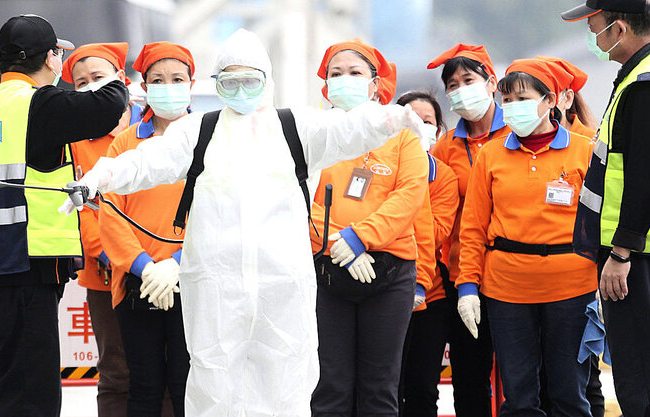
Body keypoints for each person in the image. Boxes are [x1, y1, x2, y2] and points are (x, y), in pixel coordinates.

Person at [65, 28, 425, 417]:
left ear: (267, 81)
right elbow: (147, 162)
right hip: (217, 289)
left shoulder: (295, 128)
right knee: (213, 384)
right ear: (216, 84)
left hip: (282, 288)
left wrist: (395, 118)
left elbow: (348, 130)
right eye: (230, 81)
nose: (240, 90)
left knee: (286, 384)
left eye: (249, 80)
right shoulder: (199, 131)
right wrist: (99, 176)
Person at [0, 14, 129, 417]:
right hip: (23, 268)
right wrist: (113, 75)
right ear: (52, 59)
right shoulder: (32, 104)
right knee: (32, 399)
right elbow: (109, 105)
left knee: (5, 390)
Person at [456, 58, 598, 416]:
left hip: (572, 288)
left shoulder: (584, 151)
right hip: (507, 290)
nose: (513, 108)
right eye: (507, 101)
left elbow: (601, 225)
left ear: (551, 101)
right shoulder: (491, 155)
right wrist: (468, 286)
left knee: (569, 393)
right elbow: (472, 226)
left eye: (522, 98)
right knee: (519, 397)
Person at [306, 39, 429, 417]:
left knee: (379, 388)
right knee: (329, 386)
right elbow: (299, 197)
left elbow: (408, 197)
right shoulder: (312, 133)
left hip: (390, 274)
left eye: (355, 73)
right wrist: (333, 242)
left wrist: (360, 238)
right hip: (327, 274)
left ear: (375, 84)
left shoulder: (403, 135)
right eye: (336, 74)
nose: (345, 80)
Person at [564, 0, 650, 415]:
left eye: (594, 26)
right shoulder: (638, 74)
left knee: (638, 374)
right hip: (638, 251)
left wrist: (621, 251)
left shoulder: (645, 82)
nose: (593, 36)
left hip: (637, 256)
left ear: (618, 29)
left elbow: (644, 173)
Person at [100, 41, 197, 417]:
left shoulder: (207, 139)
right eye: (158, 79)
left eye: (177, 78)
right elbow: (110, 211)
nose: (168, 86)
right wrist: (144, 267)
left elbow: (215, 211)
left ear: (192, 83)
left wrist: (177, 262)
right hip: (136, 283)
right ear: (144, 86)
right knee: (143, 384)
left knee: (188, 383)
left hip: (192, 278)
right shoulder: (125, 143)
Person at [60, 41, 144, 417]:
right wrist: (109, 251)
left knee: (166, 365)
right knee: (116, 371)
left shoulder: (151, 132)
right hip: (105, 271)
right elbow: (79, 210)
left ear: (121, 79)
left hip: (161, 266)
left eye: (99, 77)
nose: (91, 87)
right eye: (81, 82)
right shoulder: (72, 142)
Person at [427, 43, 510, 417]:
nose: (460, 90)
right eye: (452, 85)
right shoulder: (446, 147)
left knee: (524, 377)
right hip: (463, 280)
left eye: (468, 80)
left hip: (514, 276)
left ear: (491, 83)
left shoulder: (518, 132)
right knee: (470, 378)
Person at [531, 56, 604, 417]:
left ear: (561, 99)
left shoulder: (588, 144)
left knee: (579, 382)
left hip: (576, 278)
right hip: (523, 280)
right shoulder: (516, 144)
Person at [396, 91, 460, 417]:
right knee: (384, 386)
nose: (419, 127)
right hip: (381, 292)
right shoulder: (378, 166)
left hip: (430, 298)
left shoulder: (444, 177)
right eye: (410, 120)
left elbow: (435, 234)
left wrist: (404, 202)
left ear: (438, 128)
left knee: (422, 387)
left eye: (428, 121)